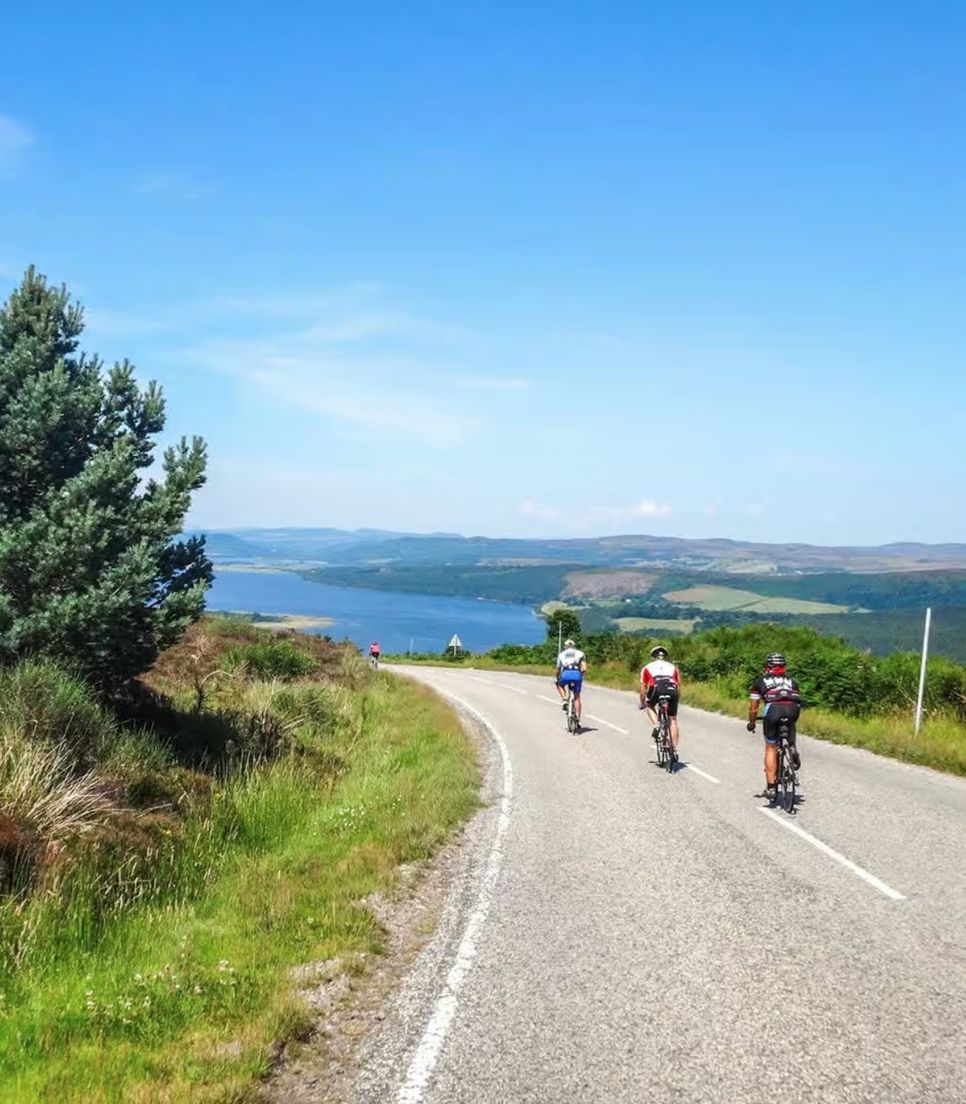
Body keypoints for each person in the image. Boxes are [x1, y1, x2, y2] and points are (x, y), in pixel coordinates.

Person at [747, 652, 802, 799]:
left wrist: (752, 723)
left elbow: (753, 707)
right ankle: (792, 747)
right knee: (790, 724)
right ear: (784, 667)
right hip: (793, 709)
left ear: (767, 667)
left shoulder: (760, 681)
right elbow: (797, 700)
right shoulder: (792, 681)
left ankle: (771, 787)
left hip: (773, 710)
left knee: (770, 747)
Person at [640, 645, 682, 748]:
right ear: (665, 657)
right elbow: (678, 685)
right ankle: (674, 748)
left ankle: (656, 725)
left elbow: (643, 689)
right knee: (672, 719)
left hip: (656, 688)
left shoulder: (647, 667)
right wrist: (676, 700)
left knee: (649, 705)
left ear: (653, 657)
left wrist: (642, 703)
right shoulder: (673, 668)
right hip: (672, 690)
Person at [555, 638, 587, 721]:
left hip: (566, 674)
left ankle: (565, 699)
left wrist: (557, 677)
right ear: (574, 646)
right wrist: (581, 675)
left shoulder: (561, 654)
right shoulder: (580, 653)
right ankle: (578, 718)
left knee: (559, 684)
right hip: (577, 674)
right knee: (577, 697)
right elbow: (584, 668)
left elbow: (558, 670)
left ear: (565, 647)